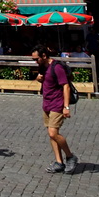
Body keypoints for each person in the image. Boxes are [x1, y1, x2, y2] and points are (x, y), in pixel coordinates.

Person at [32, 45, 78, 175]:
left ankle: (70, 156)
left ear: (44, 56)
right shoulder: (42, 66)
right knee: (51, 134)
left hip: (57, 104)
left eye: (36, 59)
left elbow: (66, 87)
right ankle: (59, 162)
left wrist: (66, 106)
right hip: (46, 103)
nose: (35, 62)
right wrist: (38, 79)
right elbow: (45, 82)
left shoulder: (56, 67)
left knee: (53, 133)